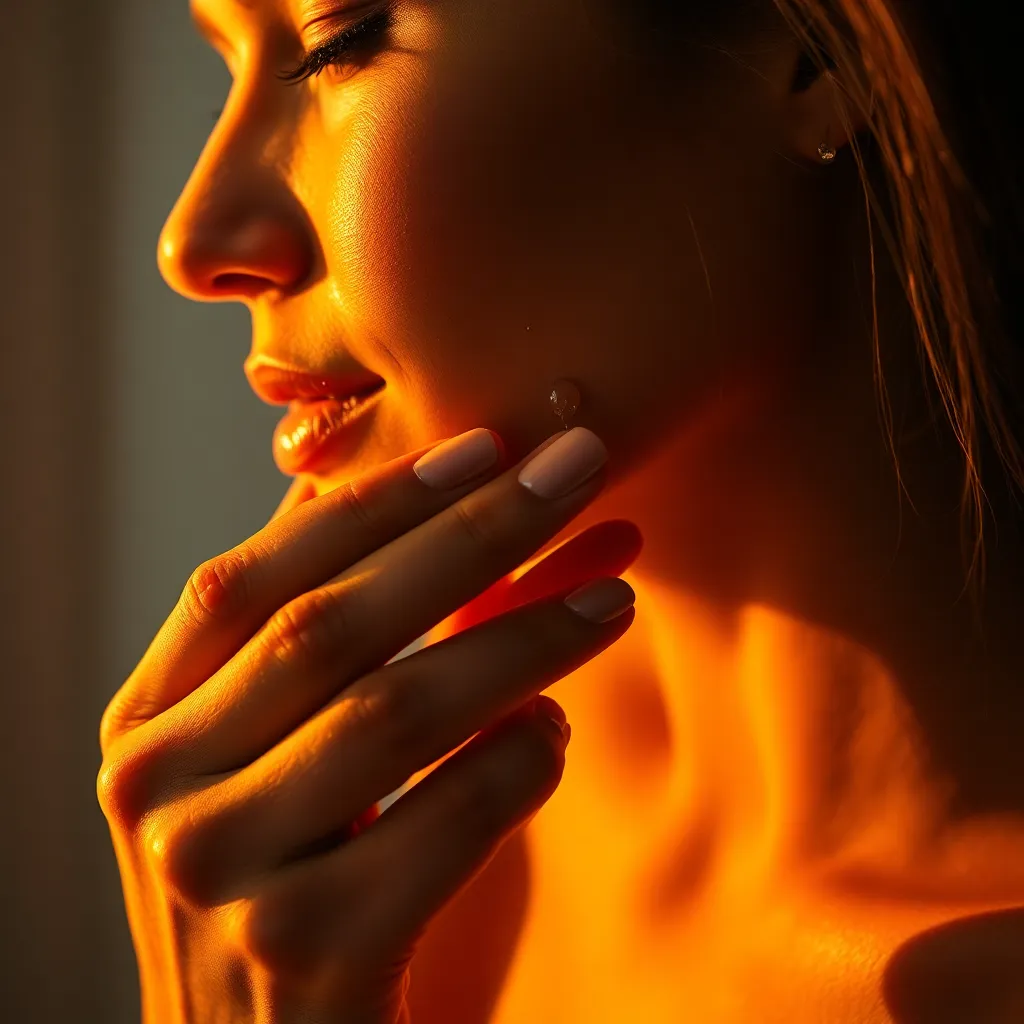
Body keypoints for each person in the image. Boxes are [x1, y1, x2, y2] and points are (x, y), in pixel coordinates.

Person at [98, 0, 1024, 1020]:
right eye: (227, 61)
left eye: (336, 42)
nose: (193, 242)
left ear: (816, 52)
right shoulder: (353, 838)